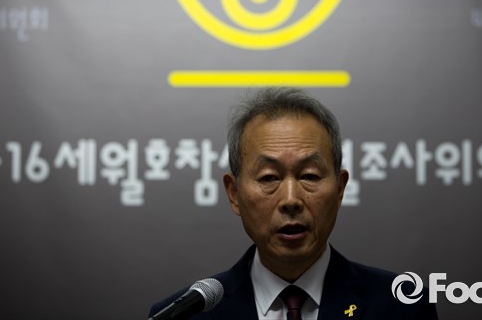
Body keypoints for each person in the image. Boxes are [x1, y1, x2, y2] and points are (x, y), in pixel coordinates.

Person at [148, 87, 438, 319]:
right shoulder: (185, 315)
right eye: (269, 177)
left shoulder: (403, 306)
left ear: (340, 188)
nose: (290, 200)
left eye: (309, 175)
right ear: (234, 193)